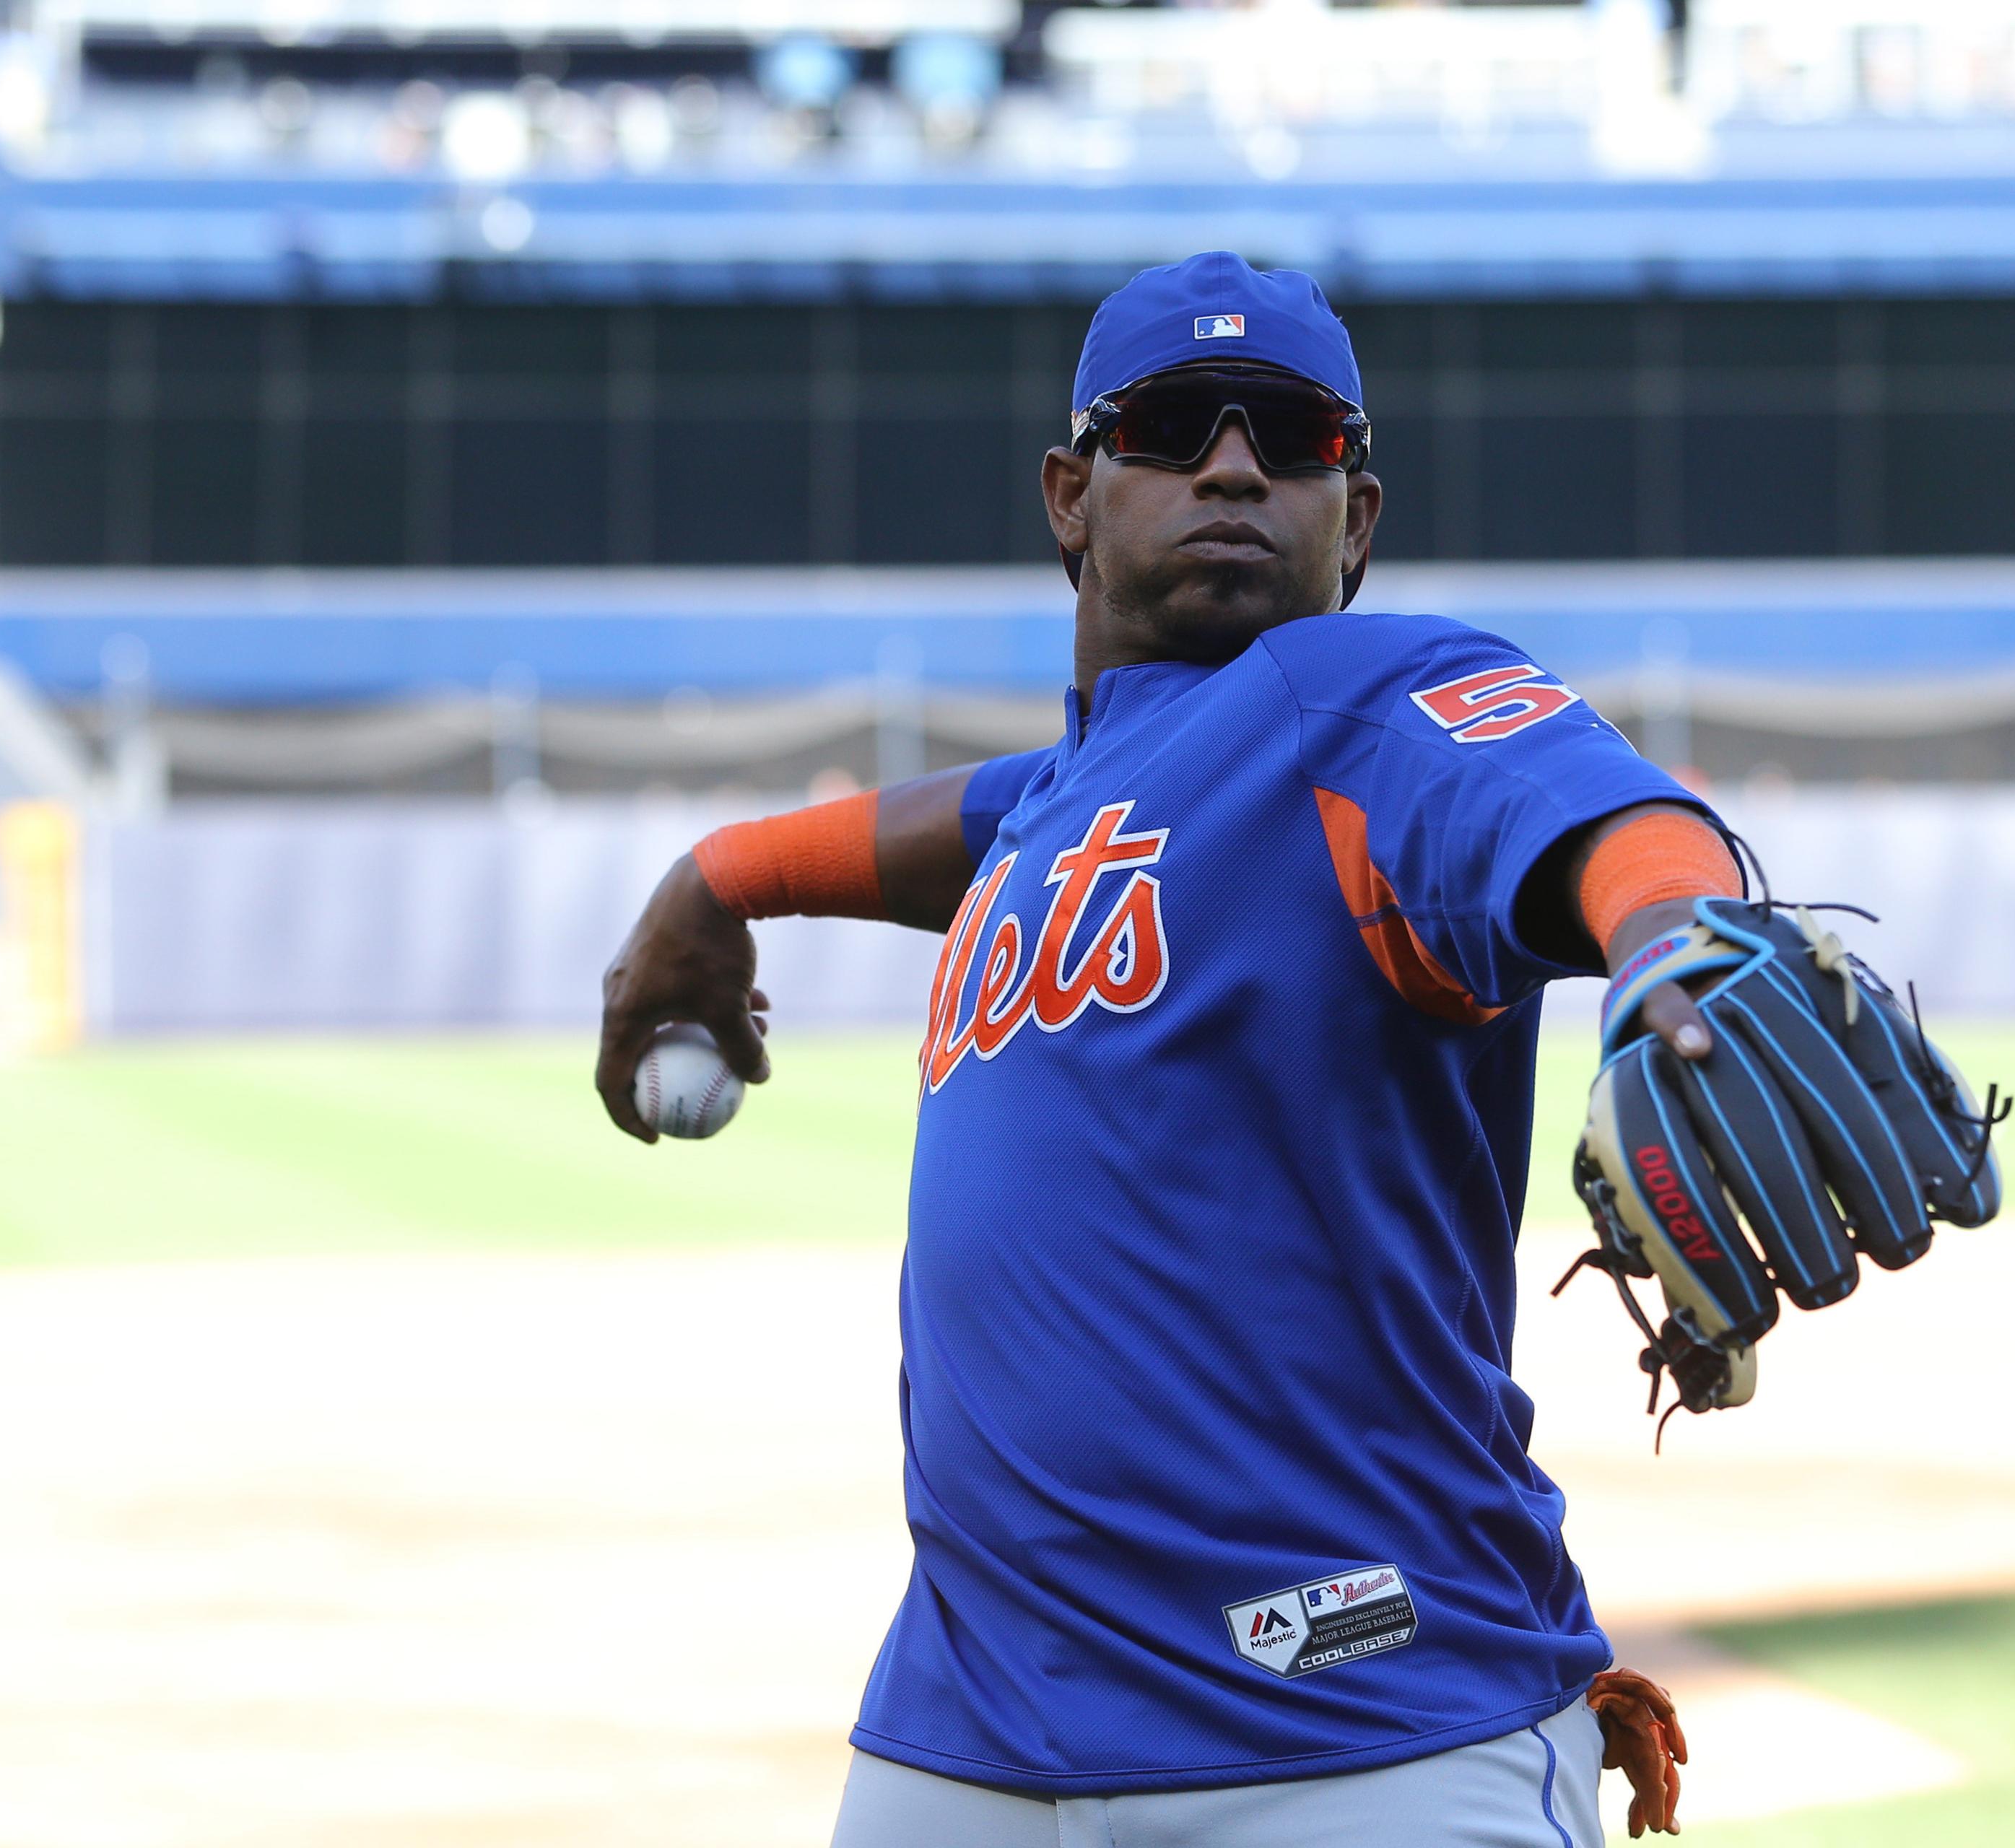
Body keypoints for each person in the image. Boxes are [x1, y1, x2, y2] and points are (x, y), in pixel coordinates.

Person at [598, 251, 1736, 1846]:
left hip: (1355, 1726)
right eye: (1173, 426)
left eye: (1294, 435)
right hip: (964, 1732)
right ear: (1073, 494)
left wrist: (1676, 939)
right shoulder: (1066, 804)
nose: (1234, 464)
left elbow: (1591, 815)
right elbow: (950, 824)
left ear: (1360, 518)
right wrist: (720, 877)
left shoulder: (1374, 701)